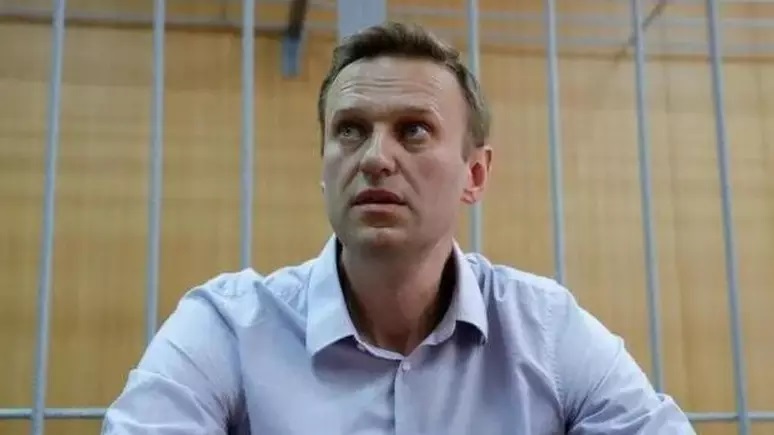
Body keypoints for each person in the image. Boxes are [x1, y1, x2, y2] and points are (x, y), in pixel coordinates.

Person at [102, 21, 695, 435]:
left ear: (474, 175)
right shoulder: (228, 326)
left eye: (413, 130)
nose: (375, 158)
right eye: (350, 130)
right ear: (325, 167)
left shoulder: (544, 330)